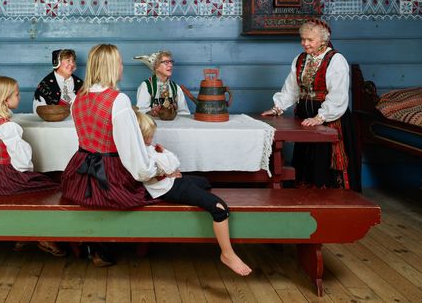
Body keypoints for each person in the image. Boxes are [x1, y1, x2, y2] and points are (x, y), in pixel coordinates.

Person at [61, 44, 163, 266]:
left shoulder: (79, 98)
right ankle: (114, 244)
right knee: (152, 190)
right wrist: (153, 171)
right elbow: (132, 153)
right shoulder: (118, 100)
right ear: (112, 66)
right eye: (119, 62)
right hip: (108, 172)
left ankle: (93, 243)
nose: (122, 66)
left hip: (79, 171)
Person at [135, 110, 252, 276]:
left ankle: (199, 199)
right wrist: (168, 166)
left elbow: (172, 164)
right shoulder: (143, 152)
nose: (151, 140)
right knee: (219, 208)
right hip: (169, 189)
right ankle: (227, 254)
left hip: (171, 181)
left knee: (204, 182)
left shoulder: (149, 148)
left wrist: (168, 166)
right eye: (148, 136)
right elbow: (171, 164)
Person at [261, 19, 360, 190]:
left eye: (310, 40)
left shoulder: (335, 60)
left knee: (324, 159)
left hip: (330, 117)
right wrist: (278, 107)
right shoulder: (300, 59)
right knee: (306, 159)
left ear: (323, 40)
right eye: (302, 39)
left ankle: (332, 203)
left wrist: (320, 117)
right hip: (305, 119)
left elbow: (338, 95)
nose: (305, 43)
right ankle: (305, 199)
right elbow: (292, 88)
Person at [0, 75, 66, 257]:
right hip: (8, 178)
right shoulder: (7, 127)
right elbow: (22, 162)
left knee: (40, 187)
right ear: (5, 100)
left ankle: (25, 234)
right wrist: (28, 176)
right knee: (52, 188)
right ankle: (40, 235)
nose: (19, 97)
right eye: (16, 94)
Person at [135, 50, 190, 116]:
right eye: (166, 62)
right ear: (156, 67)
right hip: (154, 124)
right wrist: (151, 112)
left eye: (171, 62)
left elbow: (184, 112)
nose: (170, 65)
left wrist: (173, 112)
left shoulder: (175, 87)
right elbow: (140, 112)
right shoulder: (147, 86)